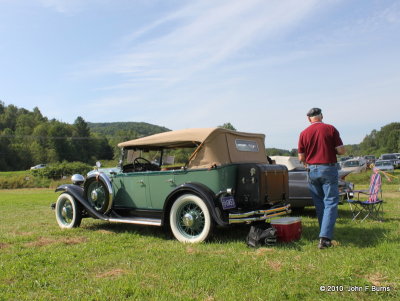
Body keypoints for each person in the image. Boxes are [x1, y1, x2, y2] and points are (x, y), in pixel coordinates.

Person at [298, 108, 346, 249]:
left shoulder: (303, 133)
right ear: (322, 116)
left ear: (309, 119)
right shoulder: (330, 129)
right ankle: (325, 238)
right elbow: (341, 150)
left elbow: (301, 157)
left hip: (312, 170)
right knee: (331, 202)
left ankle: (323, 233)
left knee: (320, 204)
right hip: (328, 168)